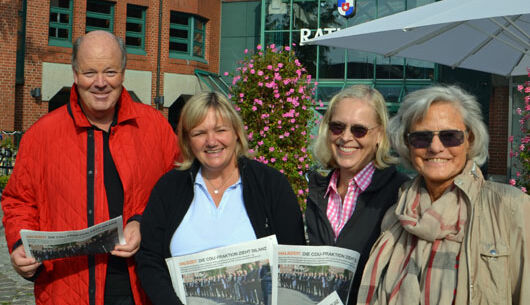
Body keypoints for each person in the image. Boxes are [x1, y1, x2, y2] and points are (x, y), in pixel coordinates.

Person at [1, 31, 179, 305]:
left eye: (110, 72)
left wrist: (143, 221)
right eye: (89, 73)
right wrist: (18, 245)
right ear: (74, 74)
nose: (100, 83)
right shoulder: (41, 134)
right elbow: (18, 200)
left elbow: (179, 193)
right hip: (65, 289)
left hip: (142, 289)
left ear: (123, 73)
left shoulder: (156, 128)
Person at [357, 85, 530, 305]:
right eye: (421, 138)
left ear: (470, 139)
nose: (435, 147)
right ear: (407, 145)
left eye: (450, 136)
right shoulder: (395, 214)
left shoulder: (510, 207)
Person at [135, 91, 306, 305]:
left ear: (236, 132)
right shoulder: (169, 188)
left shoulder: (271, 184)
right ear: (188, 139)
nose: (211, 141)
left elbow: (293, 257)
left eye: (220, 130)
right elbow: (150, 260)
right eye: (199, 133)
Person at [306, 85, 409, 304]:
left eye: (359, 130)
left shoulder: (400, 194)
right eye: (337, 127)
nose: (345, 137)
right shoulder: (317, 191)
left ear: (380, 134)